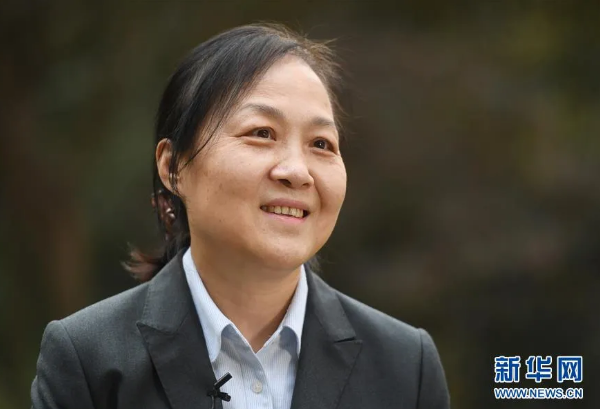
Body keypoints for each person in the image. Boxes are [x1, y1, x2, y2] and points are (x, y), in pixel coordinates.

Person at [31, 23, 450, 409]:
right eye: (261, 133)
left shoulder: (405, 366)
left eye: (321, 144)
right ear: (174, 167)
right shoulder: (89, 361)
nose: (297, 171)